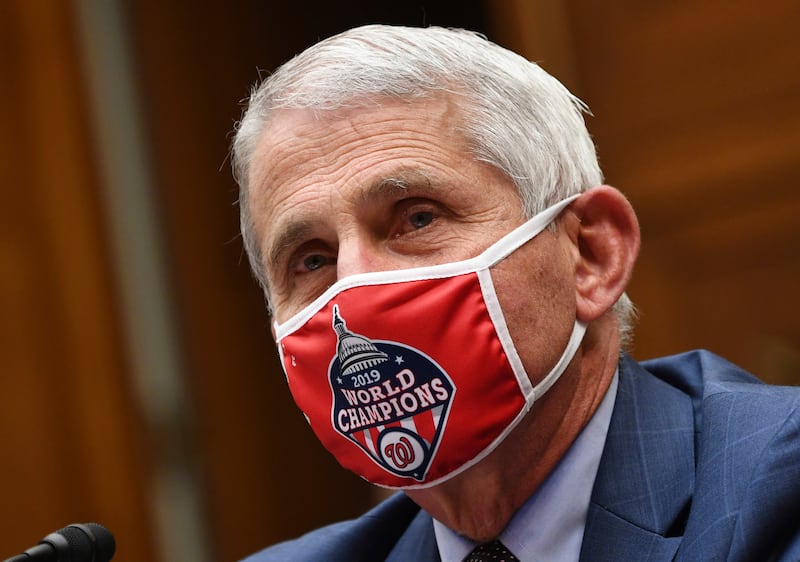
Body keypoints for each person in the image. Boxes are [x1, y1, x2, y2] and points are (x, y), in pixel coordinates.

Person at [230, 24, 800, 562]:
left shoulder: (775, 490)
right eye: (312, 259)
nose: (355, 285)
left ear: (589, 257)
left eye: (419, 218)